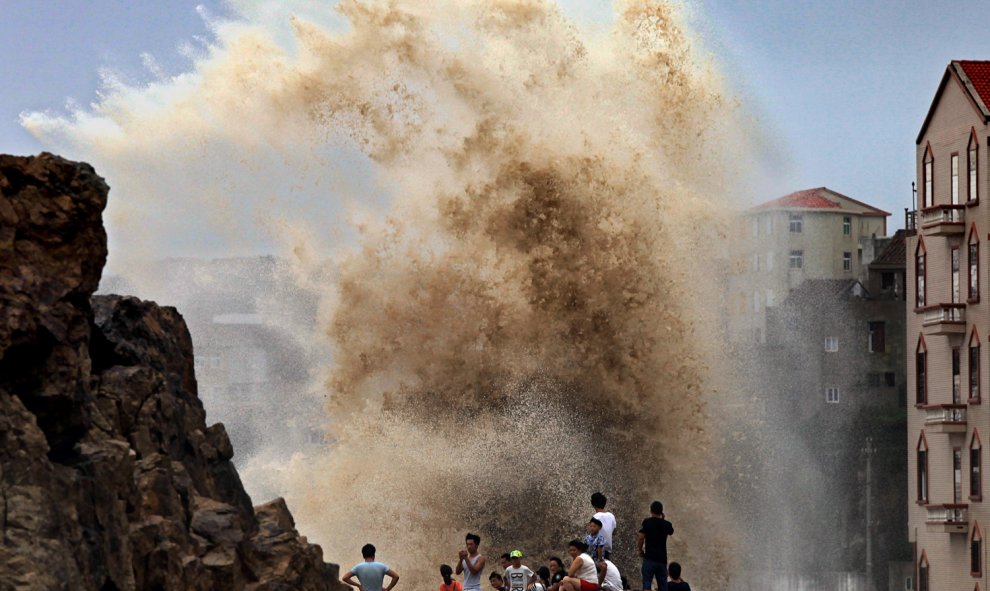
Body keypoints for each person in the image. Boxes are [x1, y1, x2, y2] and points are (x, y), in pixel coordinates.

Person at [637, 501, 674, 591]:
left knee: (647, 584)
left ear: (651, 510)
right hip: (662, 560)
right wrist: (663, 519)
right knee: (663, 586)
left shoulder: (647, 522)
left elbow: (641, 537)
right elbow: (671, 531)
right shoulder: (667, 524)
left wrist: (640, 550)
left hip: (649, 558)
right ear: (661, 511)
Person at [591, 493, 616, 560]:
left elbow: (592, 533)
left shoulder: (595, 517)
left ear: (593, 504)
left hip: (597, 551)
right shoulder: (611, 516)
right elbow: (614, 532)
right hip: (607, 550)